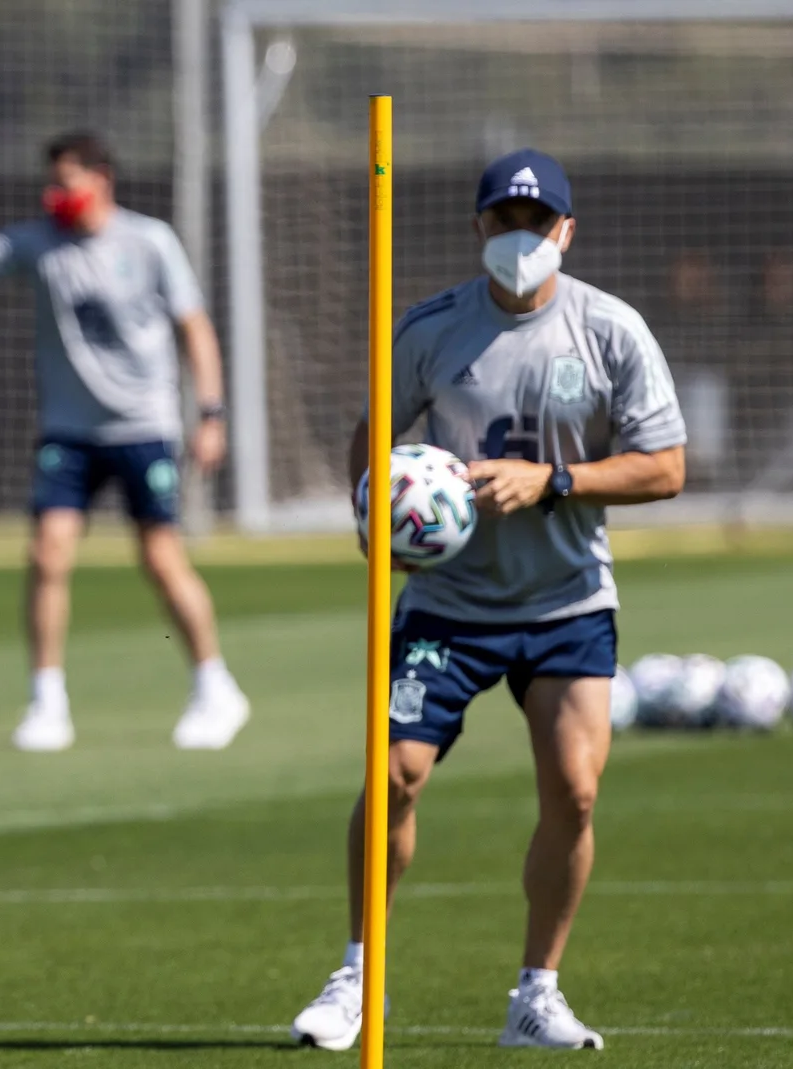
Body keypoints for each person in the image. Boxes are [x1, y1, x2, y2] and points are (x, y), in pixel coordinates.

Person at [289, 149, 687, 1051]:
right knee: (394, 774)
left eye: (537, 224)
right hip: (449, 606)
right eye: (504, 222)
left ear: (567, 231)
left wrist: (551, 480)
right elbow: (372, 434)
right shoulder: (430, 329)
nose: (521, 239)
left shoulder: (610, 330)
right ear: (478, 228)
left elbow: (666, 468)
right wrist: (374, 517)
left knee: (576, 794)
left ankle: (536, 994)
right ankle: (358, 974)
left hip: (566, 603)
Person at [0, 131, 249, 753]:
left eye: (65, 182)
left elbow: (194, 326)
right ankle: (47, 701)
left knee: (162, 560)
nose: (54, 195)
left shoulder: (149, 242)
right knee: (47, 555)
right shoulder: (38, 243)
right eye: (50, 183)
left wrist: (212, 414)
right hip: (70, 432)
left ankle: (214, 686)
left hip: (145, 429)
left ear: (101, 180)